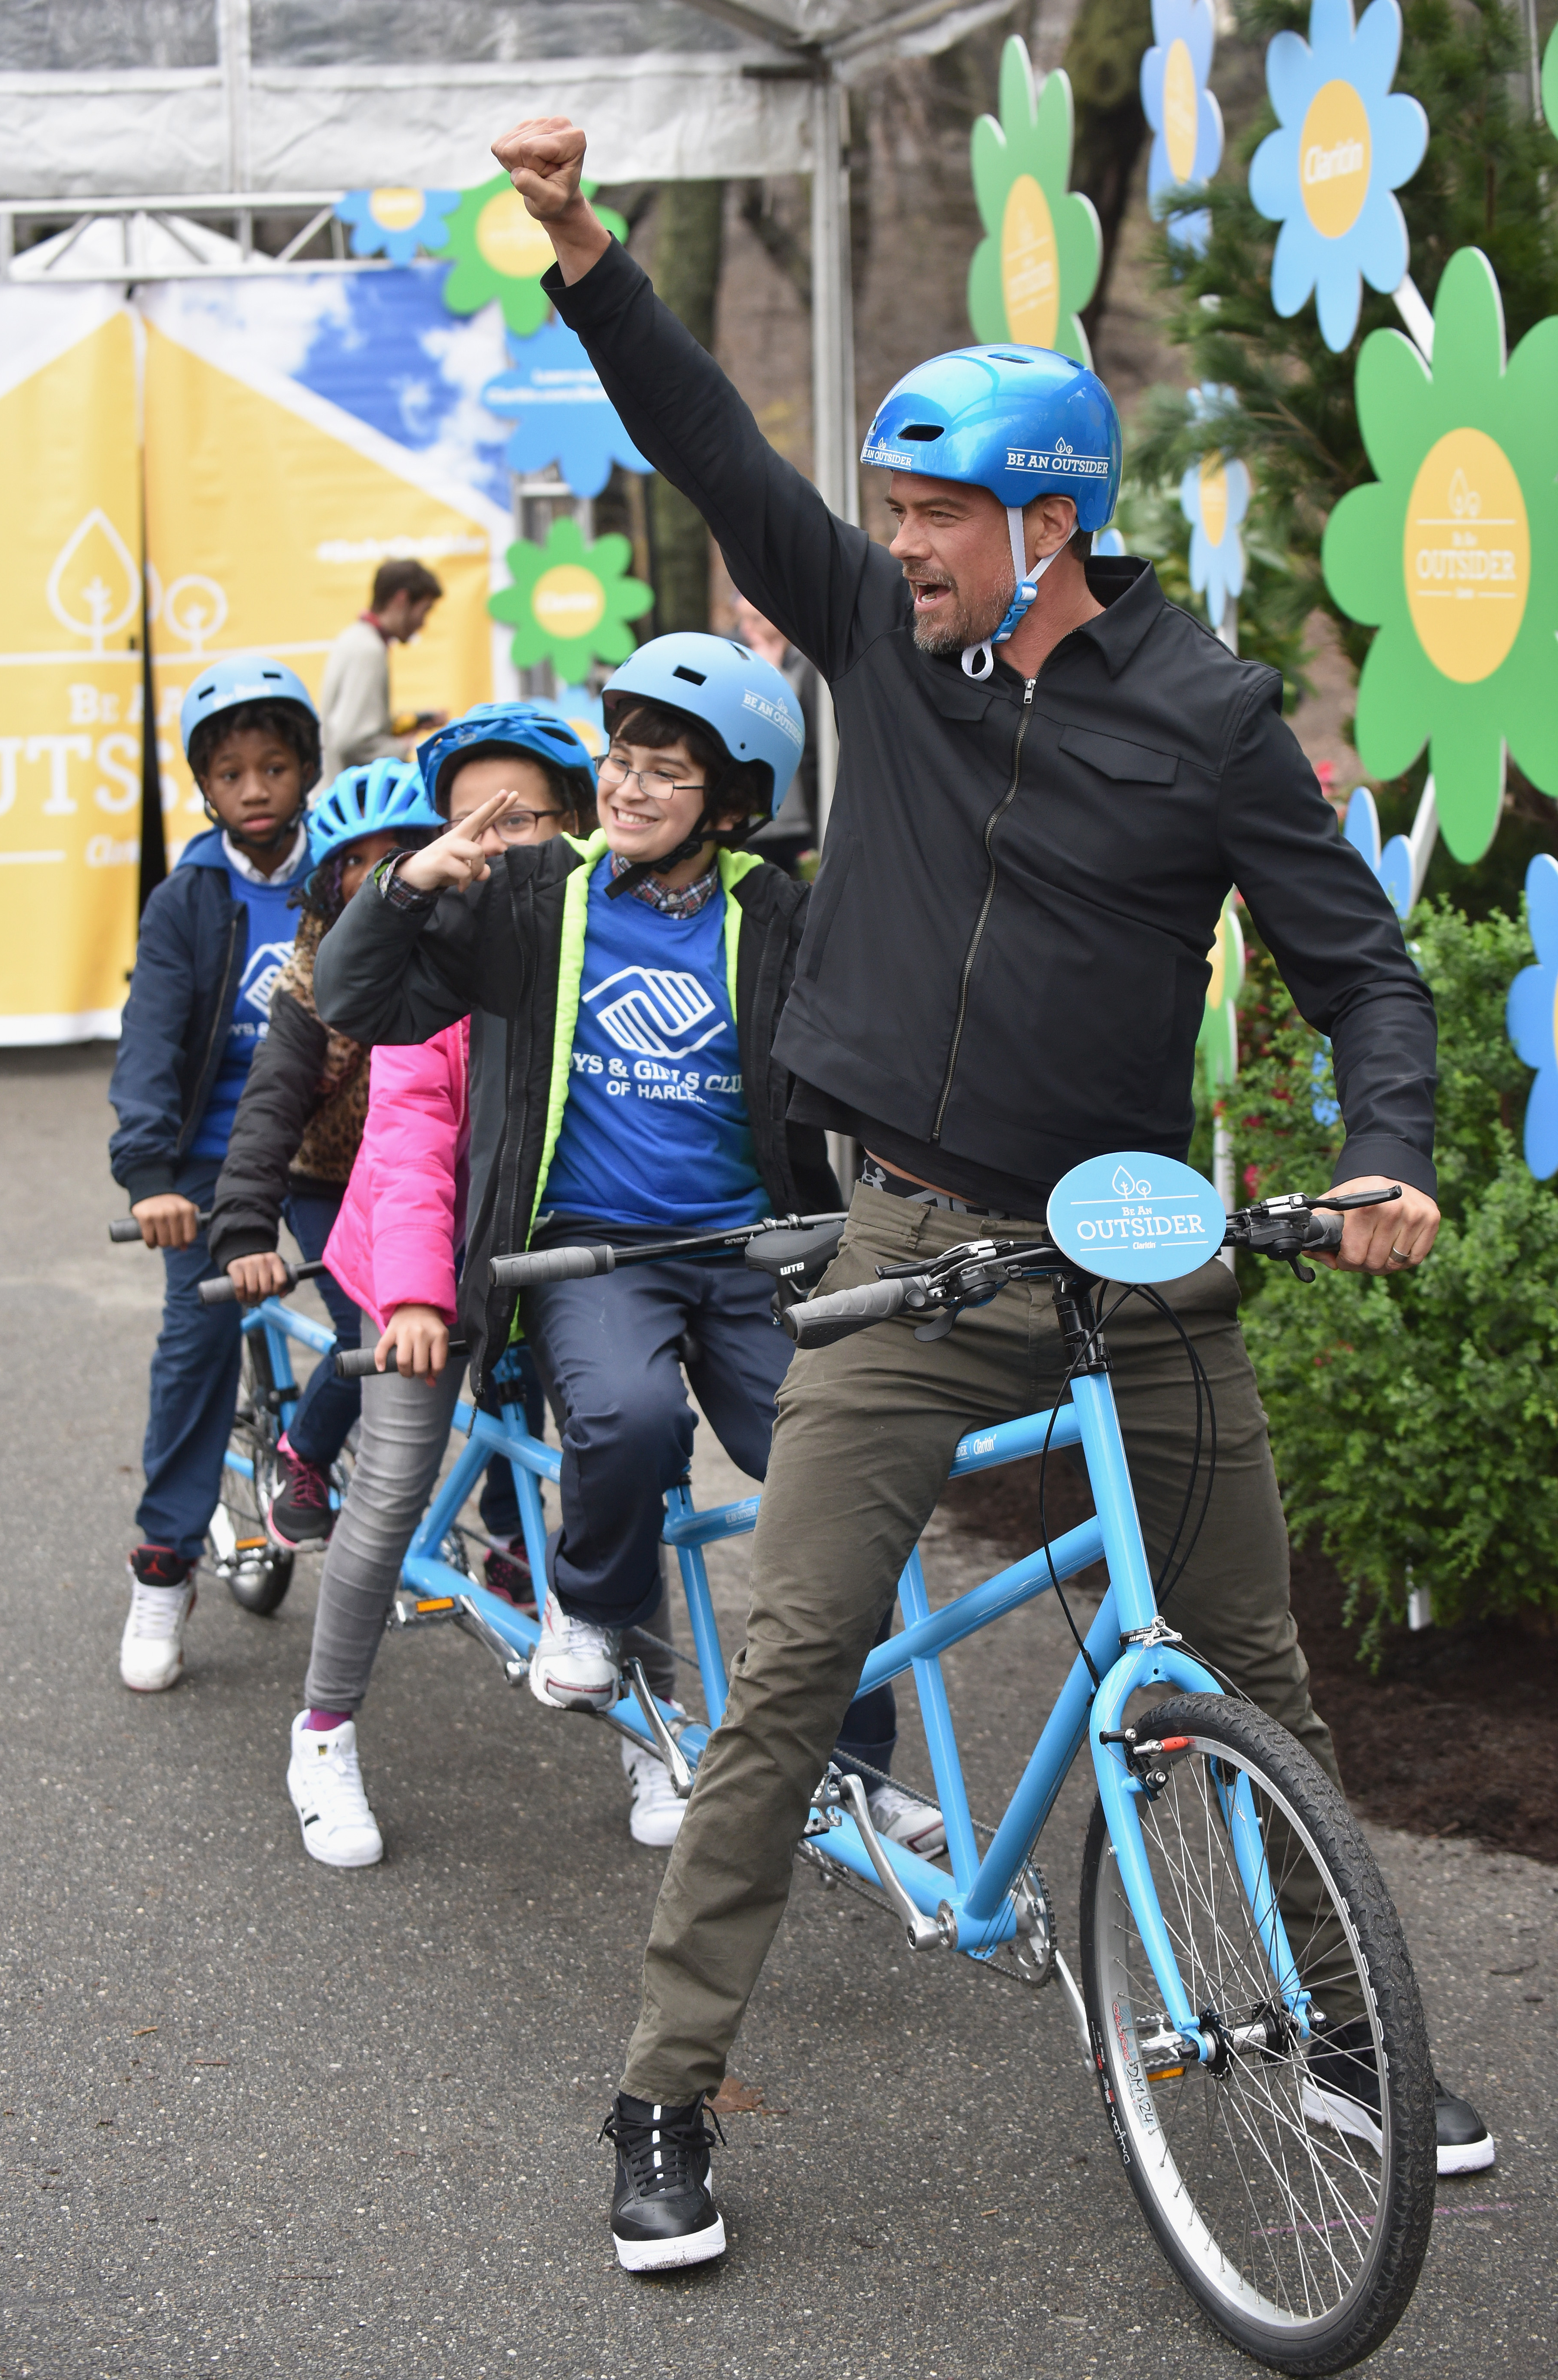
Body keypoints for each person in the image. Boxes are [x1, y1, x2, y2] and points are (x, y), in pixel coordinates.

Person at [488, 114, 1495, 2273]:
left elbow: (1361, 976)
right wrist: (581, 249)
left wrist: (1385, 1153)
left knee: (1248, 1657)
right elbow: (706, 440)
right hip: (908, 1237)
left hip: (1138, 1241)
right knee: (792, 1668)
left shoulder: (1212, 721)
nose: (895, 545)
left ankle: (1341, 2034)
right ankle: (663, 2096)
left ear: (1049, 528)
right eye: (892, 514)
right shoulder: (872, 631)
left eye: (935, 517)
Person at [312, 638, 937, 1859]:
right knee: (631, 1419)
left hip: (751, 1251)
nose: (631, 788)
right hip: (595, 1254)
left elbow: (881, 1061)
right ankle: (589, 1613)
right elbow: (359, 1001)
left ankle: (857, 1764)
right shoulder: (535, 895)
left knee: (832, 1487)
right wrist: (409, 886)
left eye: (667, 773)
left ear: (739, 804)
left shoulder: (782, 917)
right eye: (622, 762)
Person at [283, 702, 610, 1866]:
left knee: (623, 1467)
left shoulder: (610, 938)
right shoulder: (444, 960)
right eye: (481, 816)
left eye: (529, 813)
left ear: (581, 821)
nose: (504, 836)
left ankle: (647, 1734)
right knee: (389, 1495)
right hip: (423, 1255)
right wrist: (420, 1300)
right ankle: (322, 1735)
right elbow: (413, 1138)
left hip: (563, 1251)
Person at [109, 657, 321, 1693]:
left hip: (325, 1146)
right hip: (206, 1160)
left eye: (274, 766)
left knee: (397, 1313)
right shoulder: (188, 896)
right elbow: (150, 1038)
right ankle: (165, 1562)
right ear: (204, 787)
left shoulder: (345, 875)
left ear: (305, 772)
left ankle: (325, 1464)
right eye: (230, 771)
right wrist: (151, 1172)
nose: (253, 788)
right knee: (195, 1345)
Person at [206, 757, 445, 1544]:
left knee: (509, 1353)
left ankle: (514, 1533)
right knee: (368, 1334)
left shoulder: (462, 950)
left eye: (399, 854)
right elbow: (272, 1099)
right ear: (328, 881)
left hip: (436, 1177)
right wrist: (244, 1229)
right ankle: (301, 1452)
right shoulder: (312, 977)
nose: (381, 877)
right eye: (357, 863)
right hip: (330, 1182)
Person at [318, 558, 448, 787]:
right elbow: (352, 743)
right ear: (402, 599)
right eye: (425, 610)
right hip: (348, 803)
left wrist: (413, 723)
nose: (423, 623)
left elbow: (351, 725)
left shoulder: (355, 638)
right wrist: (405, 749)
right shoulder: (369, 650)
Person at [730, 593, 818, 874]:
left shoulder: (809, 661)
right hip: (757, 821)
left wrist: (775, 676)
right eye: (741, 618)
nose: (746, 629)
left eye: (755, 619)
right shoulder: (741, 660)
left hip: (801, 817)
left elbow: (797, 723)